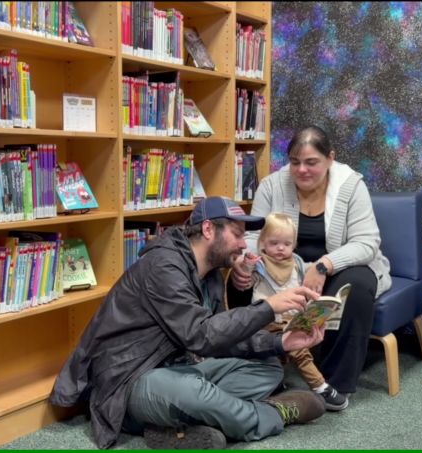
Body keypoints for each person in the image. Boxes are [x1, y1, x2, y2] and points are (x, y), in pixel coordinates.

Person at [50, 197, 326, 450]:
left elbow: (222, 336)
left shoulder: (212, 273)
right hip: (130, 380)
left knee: (269, 367)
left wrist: (279, 342)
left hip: (181, 367)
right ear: (208, 229)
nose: (244, 245)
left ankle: (180, 426)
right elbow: (201, 335)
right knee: (191, 391)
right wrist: (268, 307)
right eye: (237, 234)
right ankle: (272, 413)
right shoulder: (162, 266)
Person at [228, 125, 392, 398]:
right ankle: (258, 370)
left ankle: (334, 385)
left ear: (330, 158)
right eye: (295, 162)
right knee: (238, 282)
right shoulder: (272, 185)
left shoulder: (352, 186)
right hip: (280, 268)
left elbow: (366, 243)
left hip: (337, 267)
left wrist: (323, 265)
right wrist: (245, 261)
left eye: (311, 162)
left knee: (357, 287)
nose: (302, 170)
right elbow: (254, 236)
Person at [248, 213, 349, 411]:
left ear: (293, 244)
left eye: (286, 244)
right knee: (299, 352)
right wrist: (245, 266)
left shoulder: (297, 263)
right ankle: (320, 386)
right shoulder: (259, 265)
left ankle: (273, 385)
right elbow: (244, 282)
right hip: (268, 320)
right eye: (274, 243)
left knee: (281, 355)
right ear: (262, 243)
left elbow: (310, 274)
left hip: (293, 319)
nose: (280, 248)